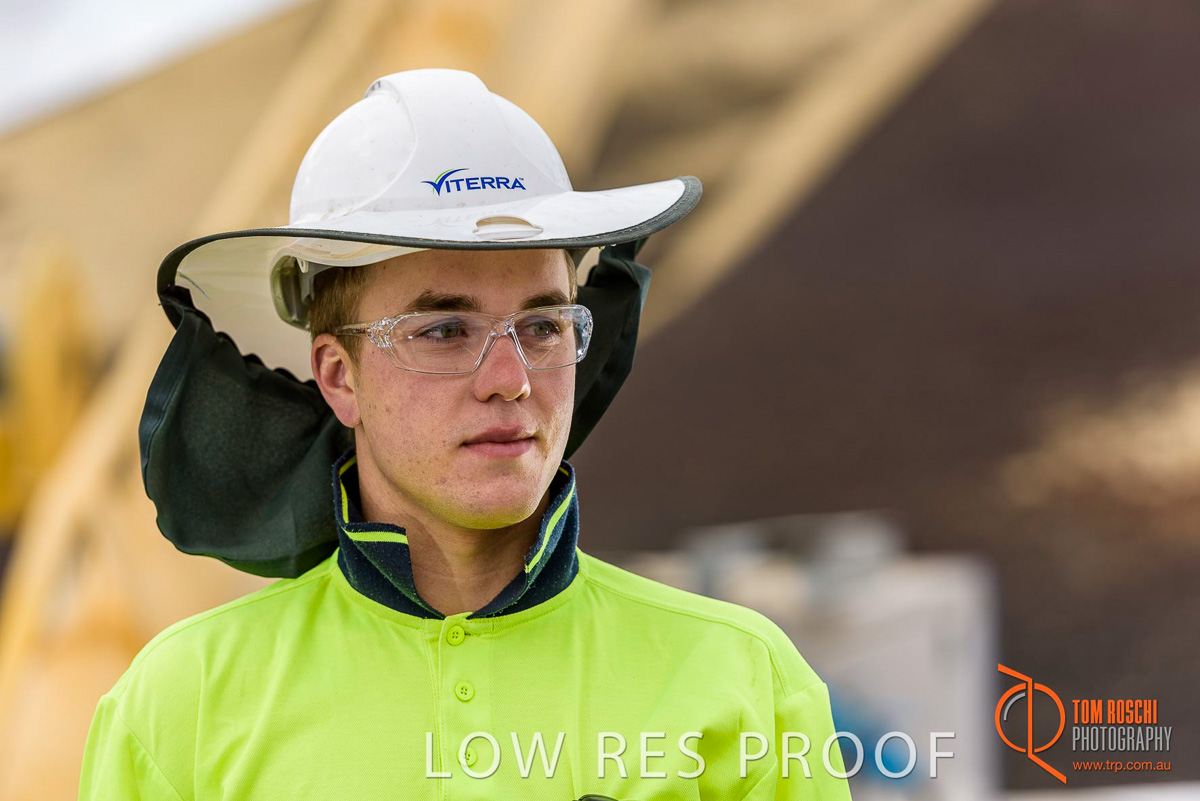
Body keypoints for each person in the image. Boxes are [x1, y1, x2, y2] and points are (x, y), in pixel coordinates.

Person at [79, 68, 853, 799]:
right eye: (446, 330)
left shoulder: (746, 685)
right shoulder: (179, 707)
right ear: (339, 376)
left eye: (543, 325)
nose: (510, 378)